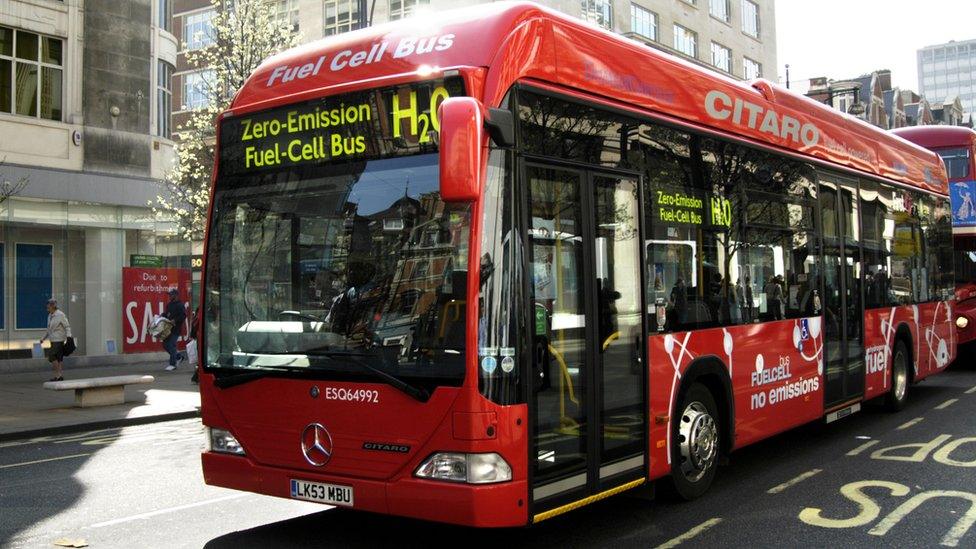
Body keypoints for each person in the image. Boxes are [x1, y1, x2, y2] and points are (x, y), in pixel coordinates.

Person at [40, 298, 71, 381]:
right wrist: (43, 338)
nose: (47, 306)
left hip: (59, 339)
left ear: (53, 306)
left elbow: (67, 326)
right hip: (53, 339)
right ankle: (59, 376)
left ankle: (58, 375)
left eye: (49, 305)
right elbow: (49, 329)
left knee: (52, 356)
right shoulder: (50, 316)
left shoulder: (60, 315)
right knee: (58, 358)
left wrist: (69, 337)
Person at [161, 288, 187, 371]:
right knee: (165, 345)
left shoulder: (180, 305)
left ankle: (173, 364)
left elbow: (183, 316)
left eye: (171, 295)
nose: (169, 296)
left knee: (172, 345)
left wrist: (175, 320)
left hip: (176, 329)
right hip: (168, 328)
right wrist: (161, 316)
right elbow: (167, 314)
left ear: (176, 295)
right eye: (169, 295)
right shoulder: (169, 305)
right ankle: (179, 357)